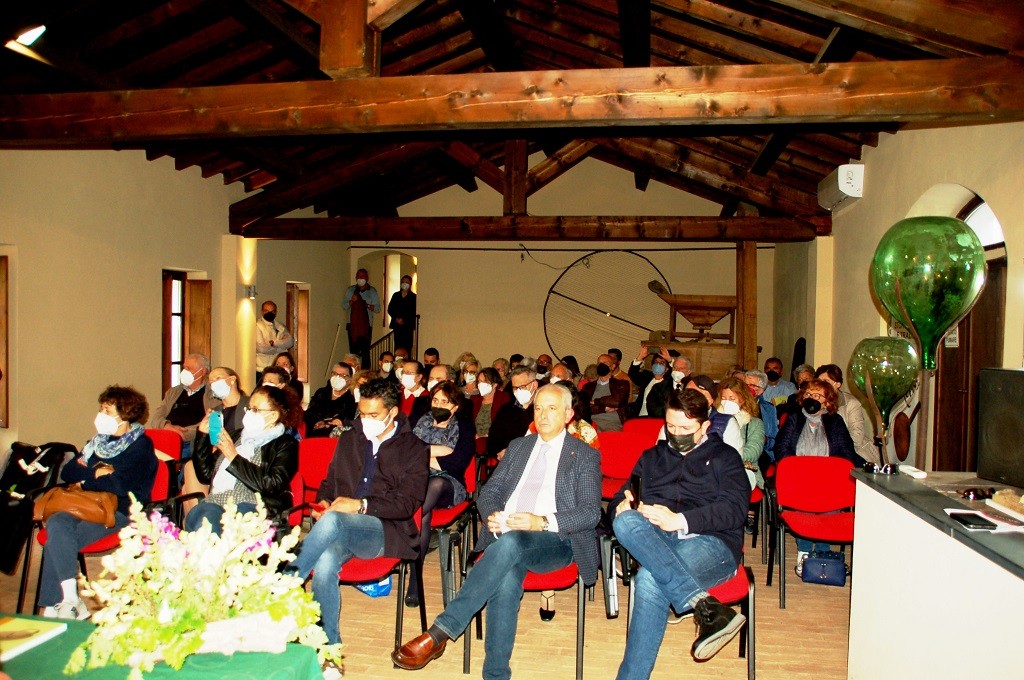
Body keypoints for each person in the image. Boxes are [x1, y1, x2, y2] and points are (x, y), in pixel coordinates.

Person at [391, 383, 602, 677]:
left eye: (552, 409)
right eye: (538, 408)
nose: (542, 415)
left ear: (568, 414)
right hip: (505, 535)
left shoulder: (583, 455)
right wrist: (493, 515)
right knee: (506, 576)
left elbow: (591, 512)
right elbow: (489, 491)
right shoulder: (519, 447)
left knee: (511, 545)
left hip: (556, 540)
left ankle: (441, 631)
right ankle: (495, 674)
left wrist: (540, 521)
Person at [610, 390, 749, 677]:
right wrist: (623, 505)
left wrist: (680, 520)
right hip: (655, 538)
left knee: (649, 579)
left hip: (711, 542)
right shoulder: (652, 457)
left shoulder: (725, 457)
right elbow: (619, 497)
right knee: (624, 521)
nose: (676, 435)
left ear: (705, 426)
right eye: (671, 427)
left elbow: (735, 510)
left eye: (685, 429)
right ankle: (705, 606)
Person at [286, 379, 428, 648]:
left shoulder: (415, 448)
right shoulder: (350, 438)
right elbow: (329, 482)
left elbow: (406, 505)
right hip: (340, 525)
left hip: (386, 529)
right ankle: (327, 645)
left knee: (335, 519)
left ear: (392, 412)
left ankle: (286, 581)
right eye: (362, 414)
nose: (365, 421)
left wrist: (361, 505)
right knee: (325, 560)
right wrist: (324, 502)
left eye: (373, 415)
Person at [41, 385, 157, 619]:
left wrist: (87, 477)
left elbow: (119, 485)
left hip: (120, 511)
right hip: (85, 506)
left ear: (124, 415)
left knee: (59, 539)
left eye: (107, 411)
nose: (101, 415)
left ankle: (54, 605)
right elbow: (69, 472)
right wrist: (98, 472)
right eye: (102, 409)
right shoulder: (97, 442)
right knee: (57, 522)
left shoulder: (141, 446)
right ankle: (70, 599)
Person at [774, 378, 864, 575]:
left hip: (828, 483)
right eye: (808, 394)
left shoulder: (835, 422)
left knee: (828, 508)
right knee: (803, 508)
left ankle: (823, 553)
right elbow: (781, 449)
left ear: (827, 402)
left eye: (817, 395)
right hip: (799, 481)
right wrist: (800, 469)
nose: (812, 398)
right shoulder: (794, 419)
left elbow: (846, 453)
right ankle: (804, 552)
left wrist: (825, 471)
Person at [185, 385, 301, 535]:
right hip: (217, 501)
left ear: (273, 416)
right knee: (207, 525)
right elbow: (205, 475)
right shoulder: (236, 436)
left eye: (256, 410)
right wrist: (202, 436)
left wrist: (233, 457)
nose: (250, 414)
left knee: (237, 527)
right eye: (249, 408)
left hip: (255, 505)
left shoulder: (285, 444)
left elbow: (272, 484)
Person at [406, 381, 475, 607]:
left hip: (448, 484)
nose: (438, 405)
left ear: (455, 406)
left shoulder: (464, 427)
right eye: (435, 400)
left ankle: (403, 525)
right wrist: (437, 453)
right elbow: (404, 452)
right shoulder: (419, 421)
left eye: (444, 402)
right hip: (416, 482)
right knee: (423, 515)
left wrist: (422, 453)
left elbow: (456, 463)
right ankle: (415, 580)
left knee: (434, 484)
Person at [180, 366, 249, 516]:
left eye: (217, 378)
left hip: (237, 457)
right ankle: (202, 519)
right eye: (210, 382)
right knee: (187, 484)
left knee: (189, 475)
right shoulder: (214, 412)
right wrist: (203, 435)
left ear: (232, 380)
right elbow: (199, 447)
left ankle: (201, 519)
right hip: (212, 462)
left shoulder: (249, 406)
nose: (213, 384)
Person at [148, 352, 218, 460]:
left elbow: (211, 420)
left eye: (189, 368)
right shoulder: (173, 392)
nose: (184, 371)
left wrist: (181, 434)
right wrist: (167, 426)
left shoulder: (213, 394)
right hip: (166, 436)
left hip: (191, 441)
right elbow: (156, 417)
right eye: (184, 367)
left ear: (203, 371)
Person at [816, 363, 880, 465]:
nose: (821, 385)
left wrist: (832, 449)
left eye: (826, 382)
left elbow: (857, 437)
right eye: (819, 382)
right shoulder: (815, 402)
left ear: (837, 384)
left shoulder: (851, 403)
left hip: (853, 452)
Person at [715, 377, 766, 491]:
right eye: (724, 398)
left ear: (742, 400)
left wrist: (723, 458)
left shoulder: (755, 423)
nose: (727, 402)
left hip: (743, 471)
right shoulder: (713, 420)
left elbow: (753, 451)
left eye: (732, 398)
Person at [487, 366, 539, 462]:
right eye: (515, 388)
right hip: (504, 460)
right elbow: (492, 439)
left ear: (534, 385)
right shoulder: (506, 409)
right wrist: (502, 452)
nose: (518, 391)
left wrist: (512, 451)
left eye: (522, 387)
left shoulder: (542, 410)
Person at [581, 354, 631, 432]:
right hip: (592, 423)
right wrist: (604, 408)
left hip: (613, 424)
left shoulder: (621, 384)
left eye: (604, 363)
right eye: (599, 363)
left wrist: (596, 401)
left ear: (613, 366)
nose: (601, 365)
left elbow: (617, 401)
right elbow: (583, 407)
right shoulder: (588, 387)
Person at [305, 362, 356, 437]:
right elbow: (309, 413)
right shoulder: (321, 393)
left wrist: (327, 424)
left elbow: (347, 421)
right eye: (335, 374)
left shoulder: (351, 400)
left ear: (350, 379)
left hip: (332, 437)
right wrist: (317, 422)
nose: (338, 378)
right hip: (312, 434)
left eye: (343, 376)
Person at [343, 269, 380, 369]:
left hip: (366, 326)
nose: (361, 278)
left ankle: (365, 373)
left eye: (363, 276)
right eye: (359, 276)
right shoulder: (350, 290)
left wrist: (367, 305)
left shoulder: (372, 291)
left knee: (365, 352)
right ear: (356, 278)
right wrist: (352, 301)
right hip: (352, 326)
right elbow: (344, 305)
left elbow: (377, 308)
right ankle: (353, 372)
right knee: (353, 352)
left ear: (367, 278)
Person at [628, 345, 674, 418]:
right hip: (641, 416)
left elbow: (676, 373)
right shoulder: (647, 377)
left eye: (662, 363)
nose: (658, 364)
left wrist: (670, 360)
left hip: (659, 418)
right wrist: (640, 357)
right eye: (656, 362)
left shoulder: (669, 381)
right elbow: (632, 374)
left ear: (667, 369)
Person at [744, 369, 778, 466]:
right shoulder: (735, 404)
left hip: (761, 452)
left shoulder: (768, 409)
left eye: (752, 385)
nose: (746, 388)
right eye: (745, 384)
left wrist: (764, 440)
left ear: (761, 390)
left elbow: (773, 440)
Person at [255, 300, 295, 382]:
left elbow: (290, 342)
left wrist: (273, 343)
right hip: (262, 369)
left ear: (276, 312)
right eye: (266, 311)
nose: (269, 313)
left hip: (279, 370)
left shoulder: (280, 326)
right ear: (262, 311)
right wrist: (281, 346)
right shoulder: (258, 326)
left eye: (272, 311)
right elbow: (262, 348)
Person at [471, 367, 510, 439]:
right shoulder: (474, 399)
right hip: (475, 439)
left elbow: (505, 425)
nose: (480, 384)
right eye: (479, 381)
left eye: (484, 382)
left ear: (495, 384)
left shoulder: (504, 399)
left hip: (495, 439)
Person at [387, 274, 417, 355]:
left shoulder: (413, 297)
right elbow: (390, 309)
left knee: (407, 347)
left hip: (408, 327)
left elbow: (413, 311)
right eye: (403, 282)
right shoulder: (396, 295)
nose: (404, 284)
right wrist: (396, 318)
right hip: (397, 327)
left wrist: (404, 320)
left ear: (410, 284)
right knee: (397, 347)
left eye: (407, 282)